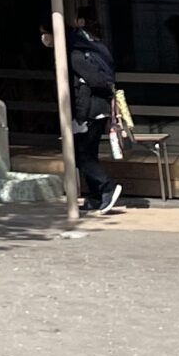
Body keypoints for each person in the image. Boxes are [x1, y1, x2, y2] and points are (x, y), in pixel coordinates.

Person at [45, 12, 122, 213]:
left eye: (45, 34)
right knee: (88, 153)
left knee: (80, 155)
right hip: (93, 110)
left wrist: (78, 115)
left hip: (89, 111)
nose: (44, 39)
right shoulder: (78, 49)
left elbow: (93, 82)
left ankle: (107, 187)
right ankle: (96, 196)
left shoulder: (73, 55)